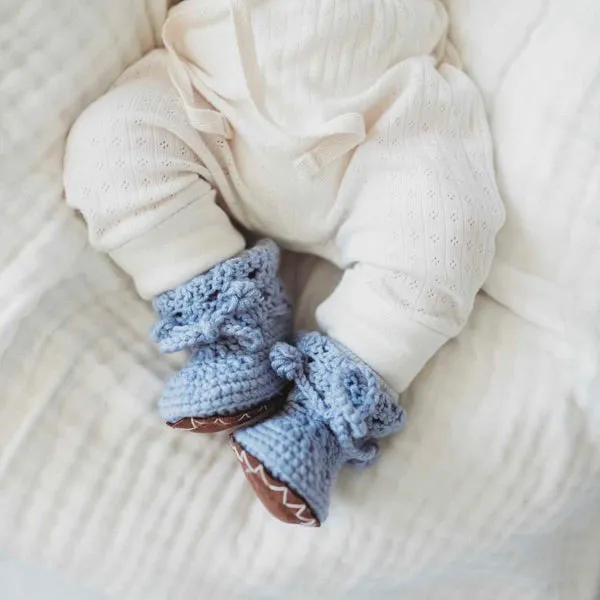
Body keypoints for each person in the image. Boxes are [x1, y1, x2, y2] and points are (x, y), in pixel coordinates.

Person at [63, 0, 504, 526]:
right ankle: (235, 329)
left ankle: (321, 414)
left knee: (448, 230)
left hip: (384, 129)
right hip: (214, 107)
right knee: (111, 144)